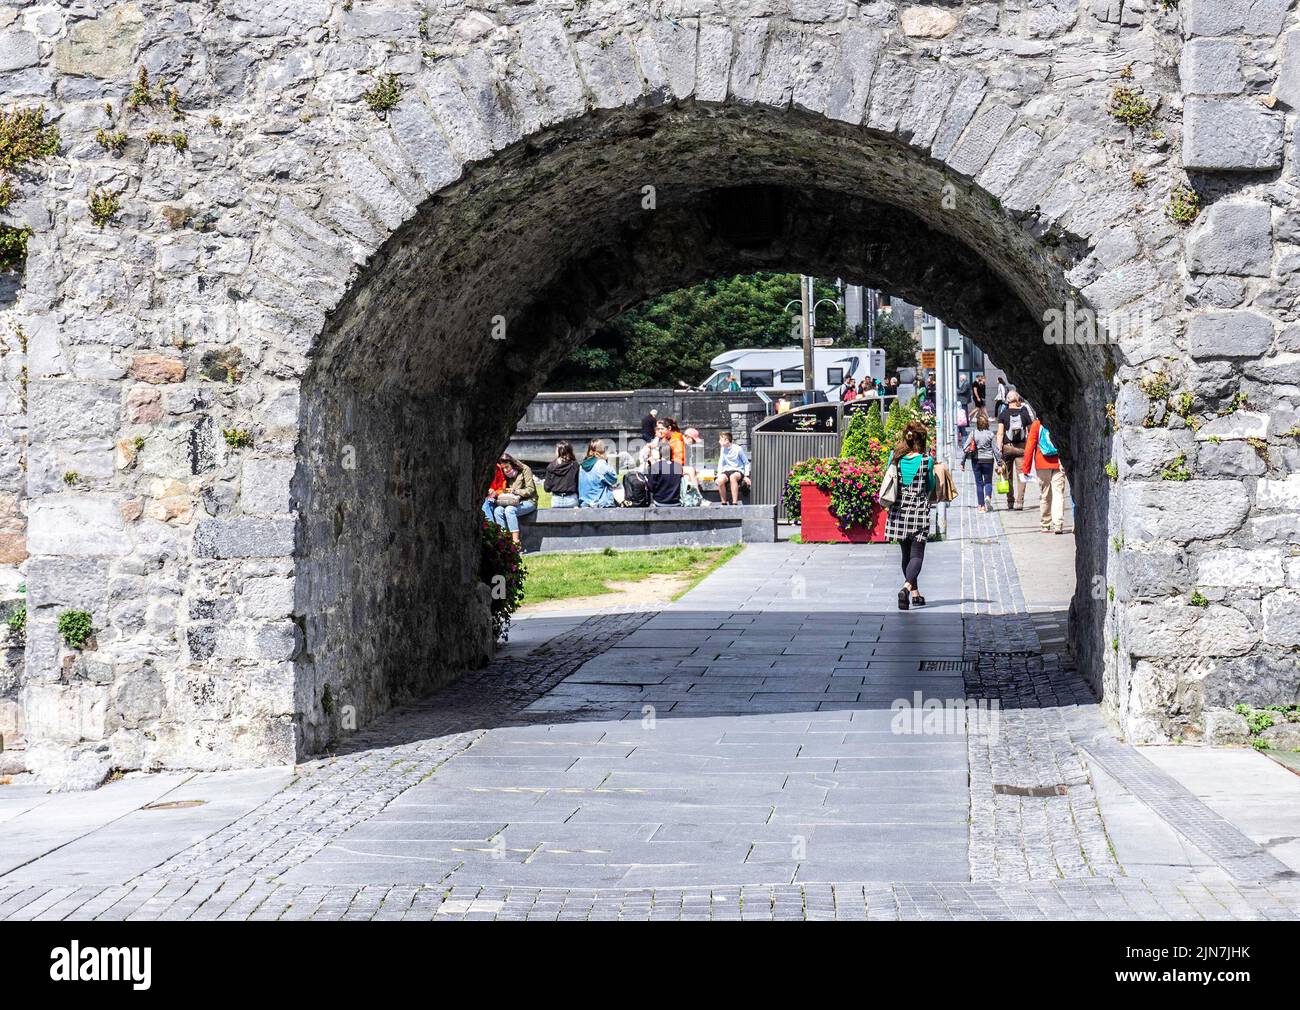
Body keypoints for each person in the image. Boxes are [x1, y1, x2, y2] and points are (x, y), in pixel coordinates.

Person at [884, 419, 936, 610]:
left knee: (905, 553)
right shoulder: (926, 461)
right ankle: (906, 588)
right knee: (917, 556)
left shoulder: (894, 458)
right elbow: (930, 486)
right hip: (919, 511)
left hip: (898, 511)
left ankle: (915, 594)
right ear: (921, 440)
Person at [1022, 417, 1067, 534]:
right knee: (1058, 493)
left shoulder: (1036, 425)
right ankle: (1058, 524)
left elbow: (1030, 446)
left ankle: (1045, 524)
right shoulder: (1058, 421)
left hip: (1042, 463)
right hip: (1058, 461)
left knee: (1045, 494)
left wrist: (1026, 468)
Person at [995, 390, 1033, 511]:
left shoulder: (1003, 414)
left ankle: (1010, 501)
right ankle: (1020, 502)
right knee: (1022, 475)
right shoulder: (1024, 413)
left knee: (1007, 475)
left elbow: (1000, 434)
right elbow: (1031, 431)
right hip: (1021, 447)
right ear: (1017, 400)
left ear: (1007, 401)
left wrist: (999, 450)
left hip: (1007, 447)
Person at [491, 453, 537, 545]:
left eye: (507, 467)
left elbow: (531, 490)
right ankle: (504, 541)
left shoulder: (525, 469)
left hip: (528, 501)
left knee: (509, 510)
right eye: (503, 468)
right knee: (498, 510)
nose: (505, 470)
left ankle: (516, 542)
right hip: (510, 501)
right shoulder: (505, 473)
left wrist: (515, 491)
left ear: (512, 463)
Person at [961, 410, 998, 512]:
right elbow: (996, 450)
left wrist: (963, 462)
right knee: (988, 482)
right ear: (987, 423)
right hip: (988, 461)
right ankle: (988, 497)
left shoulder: (973, 433)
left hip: (976, 460)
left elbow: (965, 448)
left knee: (979, 483)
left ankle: (981, 506)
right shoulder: (990, 434)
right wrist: (999, 462)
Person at [578, 438, 619, 507]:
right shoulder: (601, 464)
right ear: (602, 450)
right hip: (600, 504)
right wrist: (606, 461)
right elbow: (613, 480)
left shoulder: (582, 466)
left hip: (584, 503)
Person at [716, 431, 750, 505]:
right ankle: (723, 503)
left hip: (738, 470)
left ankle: (735, 503)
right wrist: (718, 474)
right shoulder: (723, 449)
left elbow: (746, 462)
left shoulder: (738, 449)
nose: (719, 441)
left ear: (727, 440)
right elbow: (721, 462)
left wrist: (746, 476)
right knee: (720, 480)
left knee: (733, 477)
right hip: (727, 470)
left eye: (721, 440)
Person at [543, 441, 579, 508]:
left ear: (558, 452)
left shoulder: (551, 467)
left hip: (556, 500)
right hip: (572, 499)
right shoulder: (575, 465)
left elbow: (547, 488)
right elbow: (579, 484)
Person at [482, 459, 507, 525]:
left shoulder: (498, 468)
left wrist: (495, 492)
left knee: (486, 505)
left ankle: (492, 529)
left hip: (495, 499)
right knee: (486, 505)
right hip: (485, 499)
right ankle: (493, 530)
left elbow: (502, 487)